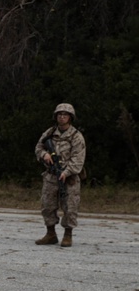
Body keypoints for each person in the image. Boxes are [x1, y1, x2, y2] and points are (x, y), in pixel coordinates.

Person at [34, 103, 86, 248]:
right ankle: (51, 234)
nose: (62, 117)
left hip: (69, 177)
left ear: (70, 117)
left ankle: (68, 235)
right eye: (59, 114)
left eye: (65, 115)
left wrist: (66, 172)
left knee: (70, 206)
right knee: (47, 205)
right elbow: (39, 147)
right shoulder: (49, 133)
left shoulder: (76, 136)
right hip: (51, 175)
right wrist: (44, 154)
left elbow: (78, 159)